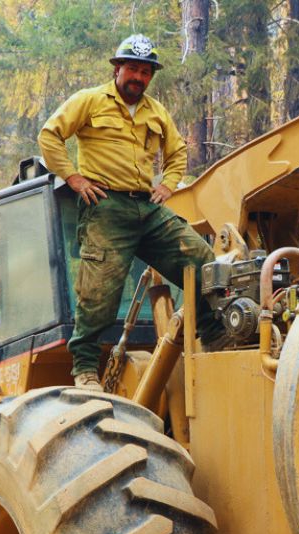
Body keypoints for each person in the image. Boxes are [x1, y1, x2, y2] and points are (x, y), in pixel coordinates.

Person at [38, 33, 221, 391]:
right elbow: (50, 135)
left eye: (145, 72)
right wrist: (74, 178)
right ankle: (85, 368)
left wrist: (168, 184)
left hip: (146, 207)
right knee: (99, 292)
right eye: (133, 69)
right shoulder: (90, 100)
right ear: (118, 68)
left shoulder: (156, 112)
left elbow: (177, 151)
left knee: (200, 257)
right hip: (105, 206)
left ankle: (212, 335)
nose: (139, 77)